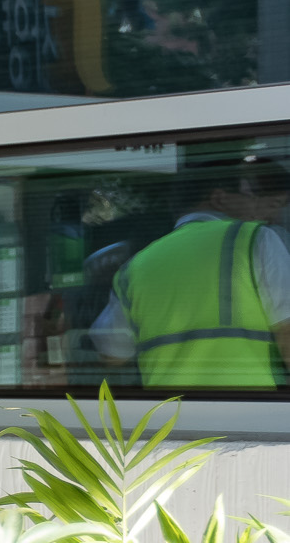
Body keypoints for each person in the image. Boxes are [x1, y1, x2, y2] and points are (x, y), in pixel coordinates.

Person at [91, 150, 290, 387]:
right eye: (248, 195)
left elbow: (111, 356)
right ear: (220, 198)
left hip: (169, 414)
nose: (256, 205)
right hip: (252, 409)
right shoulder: (255, 239)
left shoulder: (135, 267)